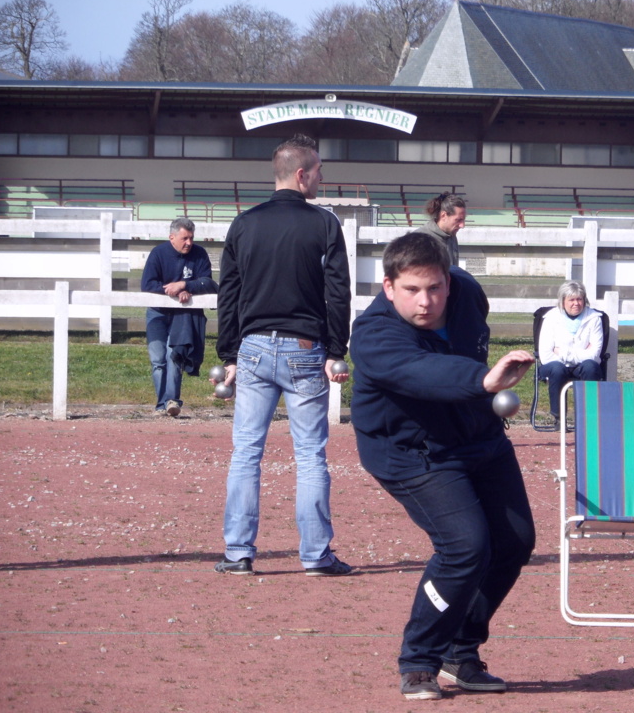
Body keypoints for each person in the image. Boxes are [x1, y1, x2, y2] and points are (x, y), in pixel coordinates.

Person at [349, 232, 536, 700]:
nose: (426, 301)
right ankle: (419, 661)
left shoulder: (467, 291)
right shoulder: (373, 333)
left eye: (435, 287)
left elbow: (472, 336)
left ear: (448, 282)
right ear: (389, 286)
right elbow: (420, 373)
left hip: (480, 440)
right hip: (412, 453)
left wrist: (480, 389)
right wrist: (483, 379)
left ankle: (460, 650)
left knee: (514, 541)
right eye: (412, 290)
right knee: (465, 546)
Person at [213, 133, 353, 577]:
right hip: (304, 349)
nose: (322, 177)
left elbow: (228, 294)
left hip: (252, 348)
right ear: (301, 174)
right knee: (310, 454)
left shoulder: (243, 223)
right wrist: (336, 349)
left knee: (246, 452)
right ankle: (315, 556)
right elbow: (338, 293)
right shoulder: (325, 224)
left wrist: (229, 352)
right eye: (318, 171)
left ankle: (238, 554)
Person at [140, 217, 218, 417]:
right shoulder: (158, 253)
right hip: (157, 313)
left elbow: (208, 283)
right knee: (158, 360)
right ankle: (161, 404)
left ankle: (172, 401)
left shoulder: (199, 254)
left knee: (174, 355)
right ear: (172, 237)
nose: (189, 243)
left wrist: (185, 286)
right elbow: (147, 284)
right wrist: (172, 291)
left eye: (191, 238)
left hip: (183, 315)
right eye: (184, 238)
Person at [537, 280, 604, 427]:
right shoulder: (550, 318)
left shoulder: (595, 319)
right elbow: (546, 354)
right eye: (571, 300)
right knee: (557, 369)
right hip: (555, 365)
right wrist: (582, 352)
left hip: (583, 366)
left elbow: (594, 354)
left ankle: (589, 417)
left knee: (591, 366)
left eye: (579, 299)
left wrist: (563, 352)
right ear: (562, 301)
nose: (576, 303)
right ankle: (559, 418)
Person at [414, 192, 466, 266]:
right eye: (458, 220)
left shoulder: (451, 236)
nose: (462, 225)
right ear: (443, 215)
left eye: (463, 220)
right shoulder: (419, 240)